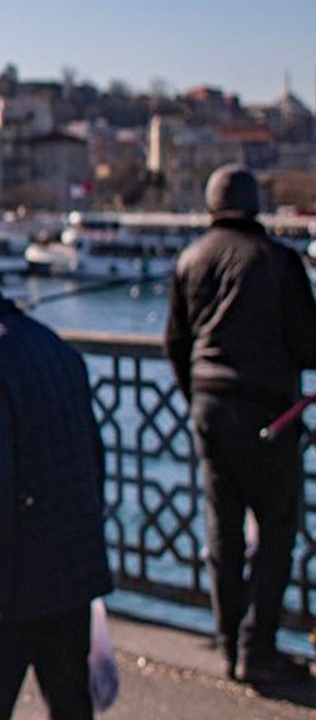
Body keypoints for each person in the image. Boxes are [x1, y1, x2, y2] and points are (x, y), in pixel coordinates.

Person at [0, 252, 112, 720]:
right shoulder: (55, 346)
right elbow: (94, 460)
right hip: (71, 572)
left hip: (13, 582)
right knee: (70, 702)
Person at [164, 164, 316, 685]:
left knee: (221, 531)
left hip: (209, 405)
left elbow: (176, 343)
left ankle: (229, 644)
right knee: (276, 530)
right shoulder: (279, 261)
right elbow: (307, 344)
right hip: (269, 410)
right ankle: (259, 645)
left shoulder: (191, 259)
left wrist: (197, 396)